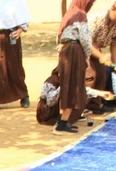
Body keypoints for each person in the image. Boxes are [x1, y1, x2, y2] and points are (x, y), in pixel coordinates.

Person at [54, 0, 97, 134]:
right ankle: (62, 123)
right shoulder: (80, 15)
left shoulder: (69, 14)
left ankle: (64, 120)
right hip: (75, 51)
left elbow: (59, 36)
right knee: (74, 85)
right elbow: (85, 39)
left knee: (67, 85)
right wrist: (87, 57)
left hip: (65, 50)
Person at [36, 67, 112, 125]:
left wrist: (101, 93)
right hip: (47, 114)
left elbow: (85, 91)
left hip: (57, 112)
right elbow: (50, 102)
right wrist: (63, 87)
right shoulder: (51, 81)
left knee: (80, 93)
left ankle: (69, 118)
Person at [86, 1, 116, 114]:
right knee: (94, 74)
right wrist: (100, 56)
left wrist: (114, 64)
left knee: (107, 73)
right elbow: (87, 42)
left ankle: (100, 103)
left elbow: (114, 43)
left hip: (97, 50)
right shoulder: (97, 19)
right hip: (82, 49)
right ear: (113, 8)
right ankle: (89, 104)